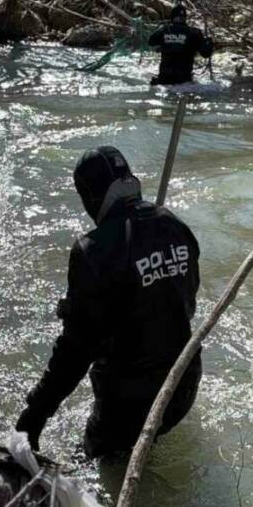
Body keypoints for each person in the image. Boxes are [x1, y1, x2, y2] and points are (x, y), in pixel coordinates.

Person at [15, 146, 202, 458]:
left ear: (90, 197)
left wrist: (34, 415)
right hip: (182, 387)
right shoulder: (174, 225)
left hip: (129, 410)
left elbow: (75, 352)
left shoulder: (92, 251)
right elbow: (184, 302)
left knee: (90, 473)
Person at [147, 4, 214, 86]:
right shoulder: (194, 33)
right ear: (185, 18)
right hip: (184, 81)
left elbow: (150, 42)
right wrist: (209, 43)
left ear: (172, 17)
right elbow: (205, 54)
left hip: (164, 80)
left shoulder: (164, 30)